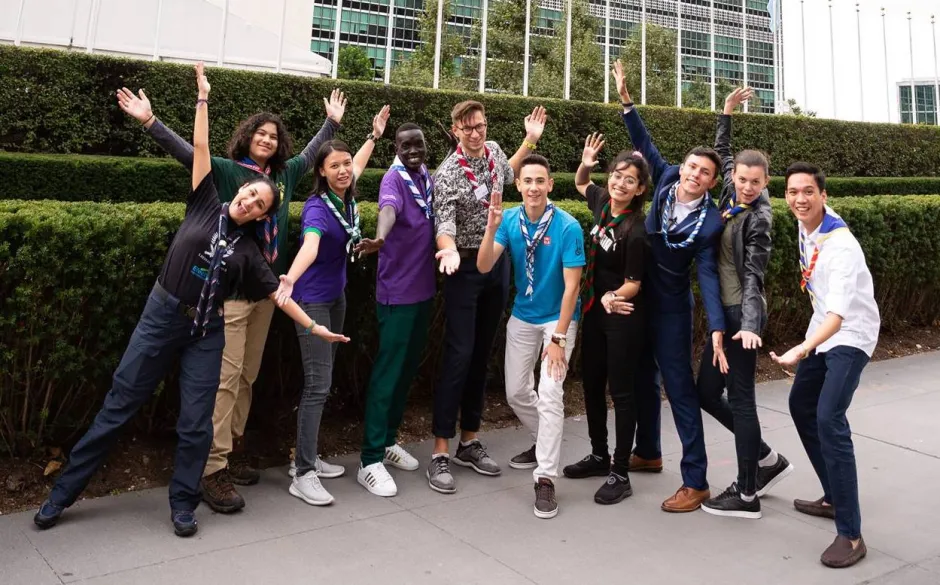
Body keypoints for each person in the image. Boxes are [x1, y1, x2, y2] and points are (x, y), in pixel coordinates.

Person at [34, 63, 348, 537]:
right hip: (162, 317)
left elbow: (278, 294)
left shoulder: (249, 253)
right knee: (119, 405)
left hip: (207, 327)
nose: (251, 202)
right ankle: (60, 496)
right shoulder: (206, 198)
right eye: (249, 195)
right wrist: (191, 102)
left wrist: (315, 327)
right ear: (237, 188)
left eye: (262, 204)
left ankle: (184, 503)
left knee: (197, 419)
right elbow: (196, 148)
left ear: (266, 212)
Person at [116, 84, 351, 513]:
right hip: (232, 298)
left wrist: (332, 122)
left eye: (273, 136)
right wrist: (150, 121)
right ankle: (211, 469)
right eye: (260, 134)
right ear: (247, 137)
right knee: (225, 381)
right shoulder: (228, 172)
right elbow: (190, 153)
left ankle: (229, 451)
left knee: (247, 377)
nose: (267, 140)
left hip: (265, 295)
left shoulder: (283, 176)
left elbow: (314, 151)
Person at [610, 59, 724, 513]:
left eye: (704, 173)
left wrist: (715, 326)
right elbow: (644, 144)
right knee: (641, 378)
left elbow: (710, 276)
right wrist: (625, 100)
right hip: (639, 296)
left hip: (673, 308)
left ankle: (695, 480)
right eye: (692, 166)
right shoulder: (667, 179)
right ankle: (649, 451)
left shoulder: (711, 222)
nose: (694, 175)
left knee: (678, 389)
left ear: (713, 183)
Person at [427, 100, 547, 494]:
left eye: (479, 125)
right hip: (461, 265)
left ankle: (470, 440)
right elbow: (444, 222)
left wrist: (529, 142)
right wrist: (445, 248)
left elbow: (506, 173)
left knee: (482, 353)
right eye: (467, 128)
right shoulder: (446, 173)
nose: (475, 133)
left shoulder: (494, 150)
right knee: (459, 353)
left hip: (497, 261)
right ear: (455, 130)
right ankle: (440, 450)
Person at [274, 106, 391, 507]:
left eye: (345, 165)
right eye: (334, 166)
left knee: (322, 383)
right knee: (317, 385)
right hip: (311, 301)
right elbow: (310, 245)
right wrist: (289, 276)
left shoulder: (346, 194)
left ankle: (308, 458)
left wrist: (374, 136)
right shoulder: (317, 208)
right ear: (320, 172)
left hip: (336, 296)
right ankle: (302, 472)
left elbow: (357, 163)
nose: (343, 170)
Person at [771, 162, 880, 568]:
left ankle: (851, 535)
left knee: (829, 417)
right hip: (824, 328)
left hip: (851, 335)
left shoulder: (842, 247)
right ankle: (833, 495)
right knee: (802, 406)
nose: (800, 199)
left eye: (808, 192)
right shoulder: (808, 226)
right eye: (792, 192)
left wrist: (800, 349)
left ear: (823, 195)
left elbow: (838, 317)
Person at [697, 88, 794, 520]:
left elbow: (754, 276)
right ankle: (767, 459)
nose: (749, 186)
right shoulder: (732, 194)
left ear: (766, 183)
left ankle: (747, 493)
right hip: (724, 313)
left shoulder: (759, 219)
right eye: (742, 179)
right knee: (705, 391)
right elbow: (723, 152)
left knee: (740, 399)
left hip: (741, 316)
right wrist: (726, 113)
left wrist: (750, 325)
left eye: (756, 182)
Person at [477, 154, 584, 518]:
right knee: (516, 392)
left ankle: (546, 478)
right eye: (528, 181)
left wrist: (558, 340)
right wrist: (490, 229)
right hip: (523, 316)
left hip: (558, 320)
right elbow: (484, 265)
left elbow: (572, 289)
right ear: (518, 186)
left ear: (550, 185)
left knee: (551, 394)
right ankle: (545, 441)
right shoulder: (509, 219)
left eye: (541, 180)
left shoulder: (568, 227)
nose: (534, 187)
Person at [561, 134, 649, 506]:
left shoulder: (636, 230)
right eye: (617, 175)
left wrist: (615, 297)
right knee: (592, 385)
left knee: (621, 393)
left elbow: (635, 283)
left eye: (630, 179)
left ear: (640, 188)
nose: (620, 183)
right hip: (595, 312)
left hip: (621, 316)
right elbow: (582, 182)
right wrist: (586, 161)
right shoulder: (601, 204)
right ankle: (599, 455)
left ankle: (620, 471)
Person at [352, 123, 437, 497]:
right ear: (397, 149)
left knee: (405, 371)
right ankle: (369, 459)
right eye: (405, 145)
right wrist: (381, 237)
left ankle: (387, 441)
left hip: (423, 292)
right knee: (388, 372)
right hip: (397, 293)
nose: (413, 150)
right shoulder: (394, 179)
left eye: (417, 144)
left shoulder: (425, 177)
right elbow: (388, 209)